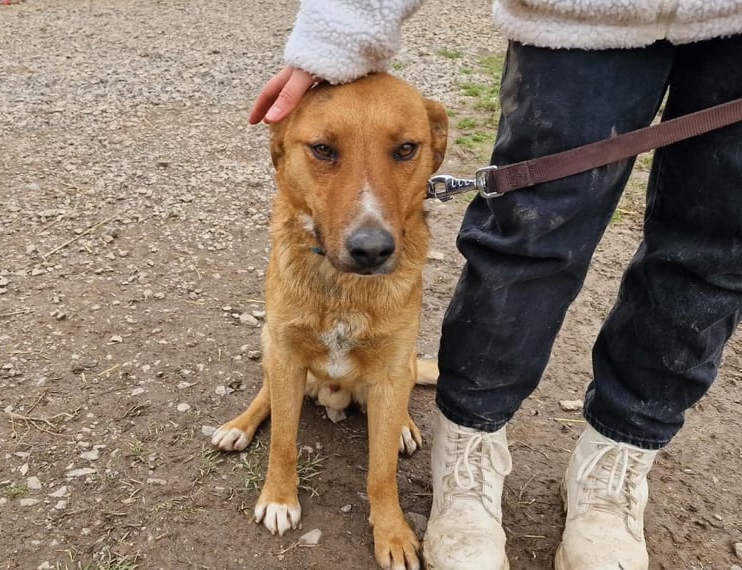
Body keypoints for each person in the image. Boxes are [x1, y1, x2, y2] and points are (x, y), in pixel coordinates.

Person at [248, 2, 742, 569]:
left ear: (433, 150)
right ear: (279, 151)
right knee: (529, 236)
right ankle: (470, 446)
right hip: (578, 18)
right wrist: (338, 33)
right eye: (323, 151)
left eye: (406, 152)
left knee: (716, 249)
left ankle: (620, 457)